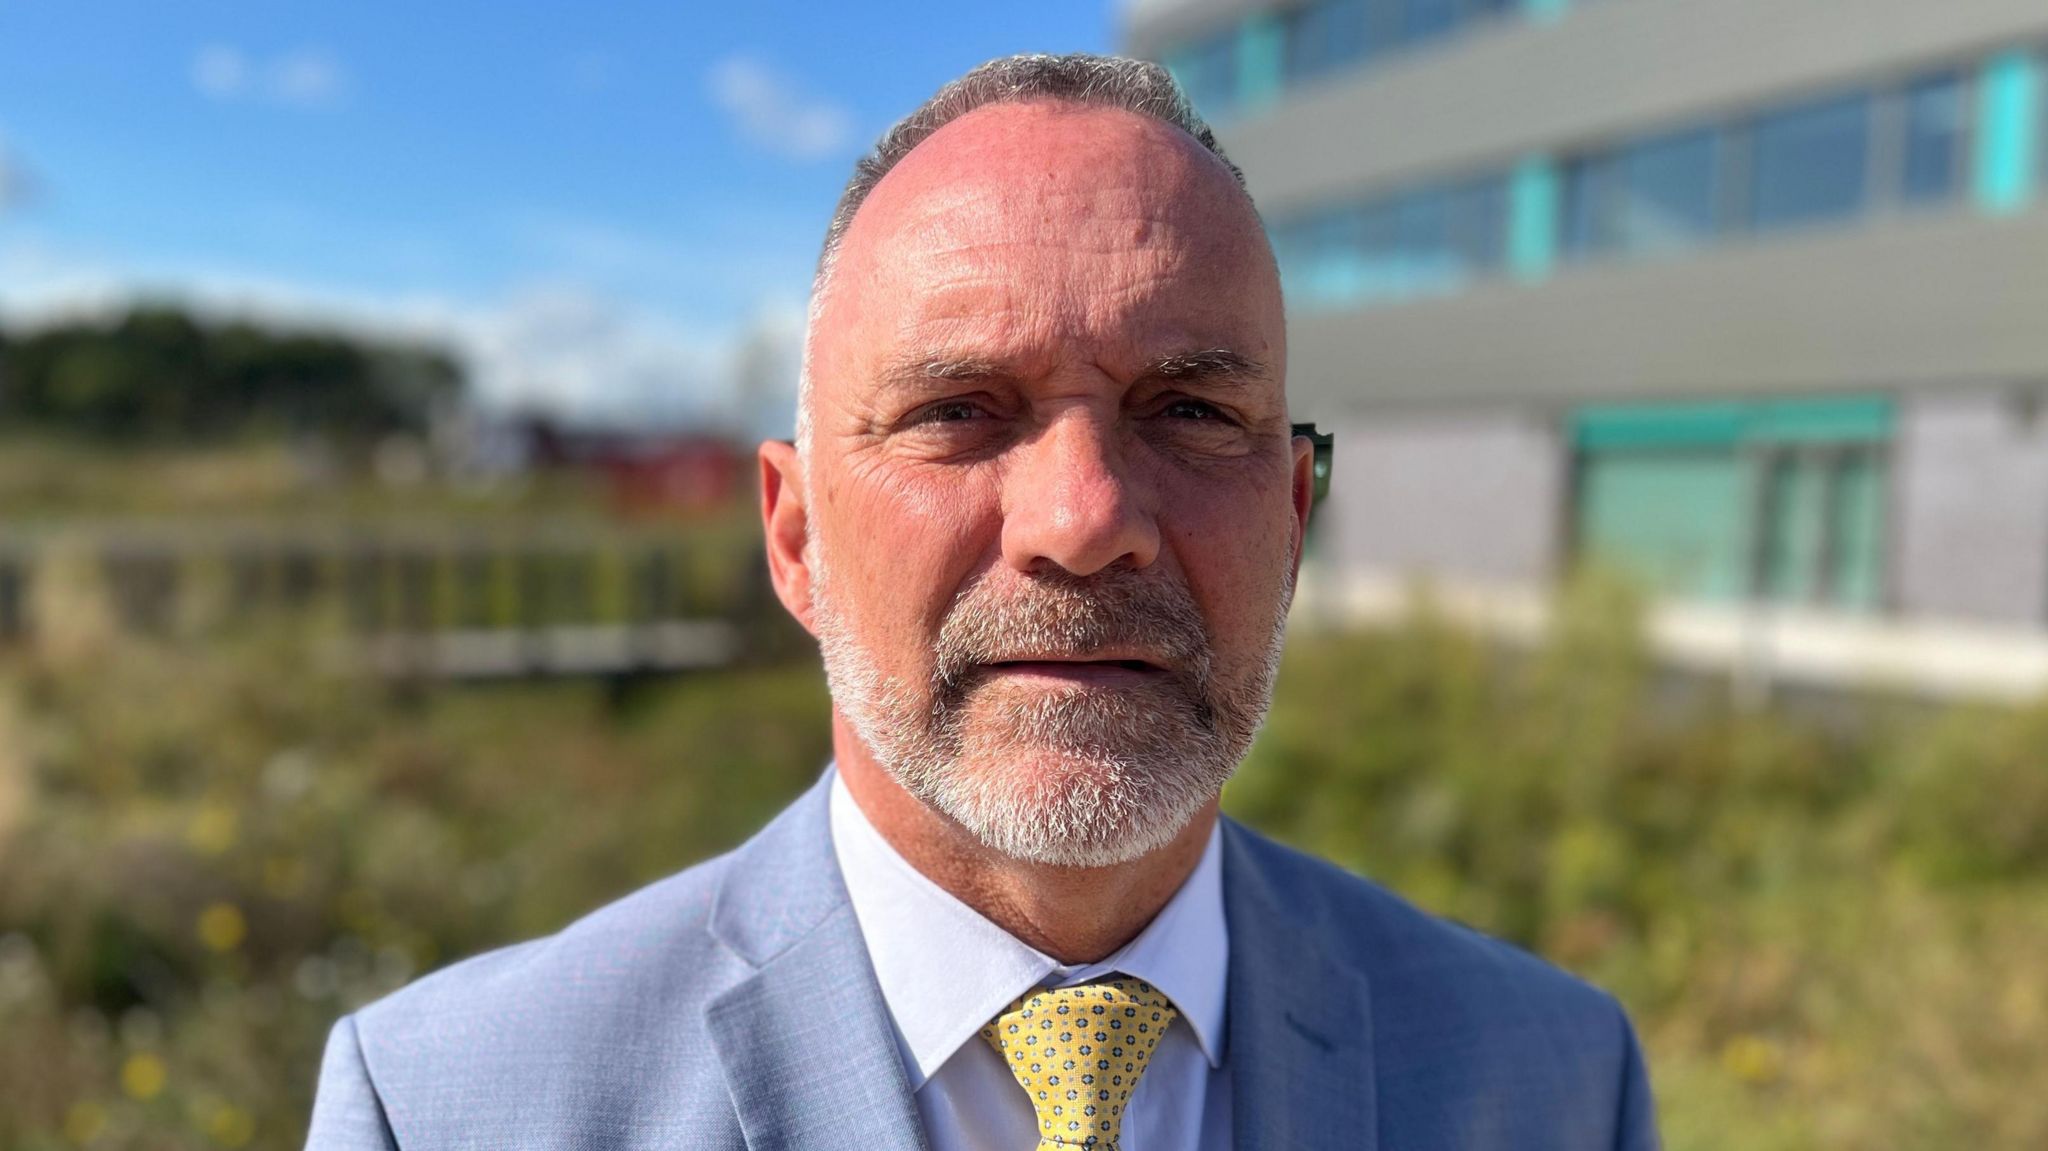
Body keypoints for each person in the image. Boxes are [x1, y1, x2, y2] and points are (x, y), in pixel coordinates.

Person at [305, 53, 1658, 1150]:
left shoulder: (1549, 1083)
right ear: (793, 538)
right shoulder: (447, 1110)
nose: (1083, 522)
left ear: (1295, 522)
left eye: (1189, 411)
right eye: (958, 413)